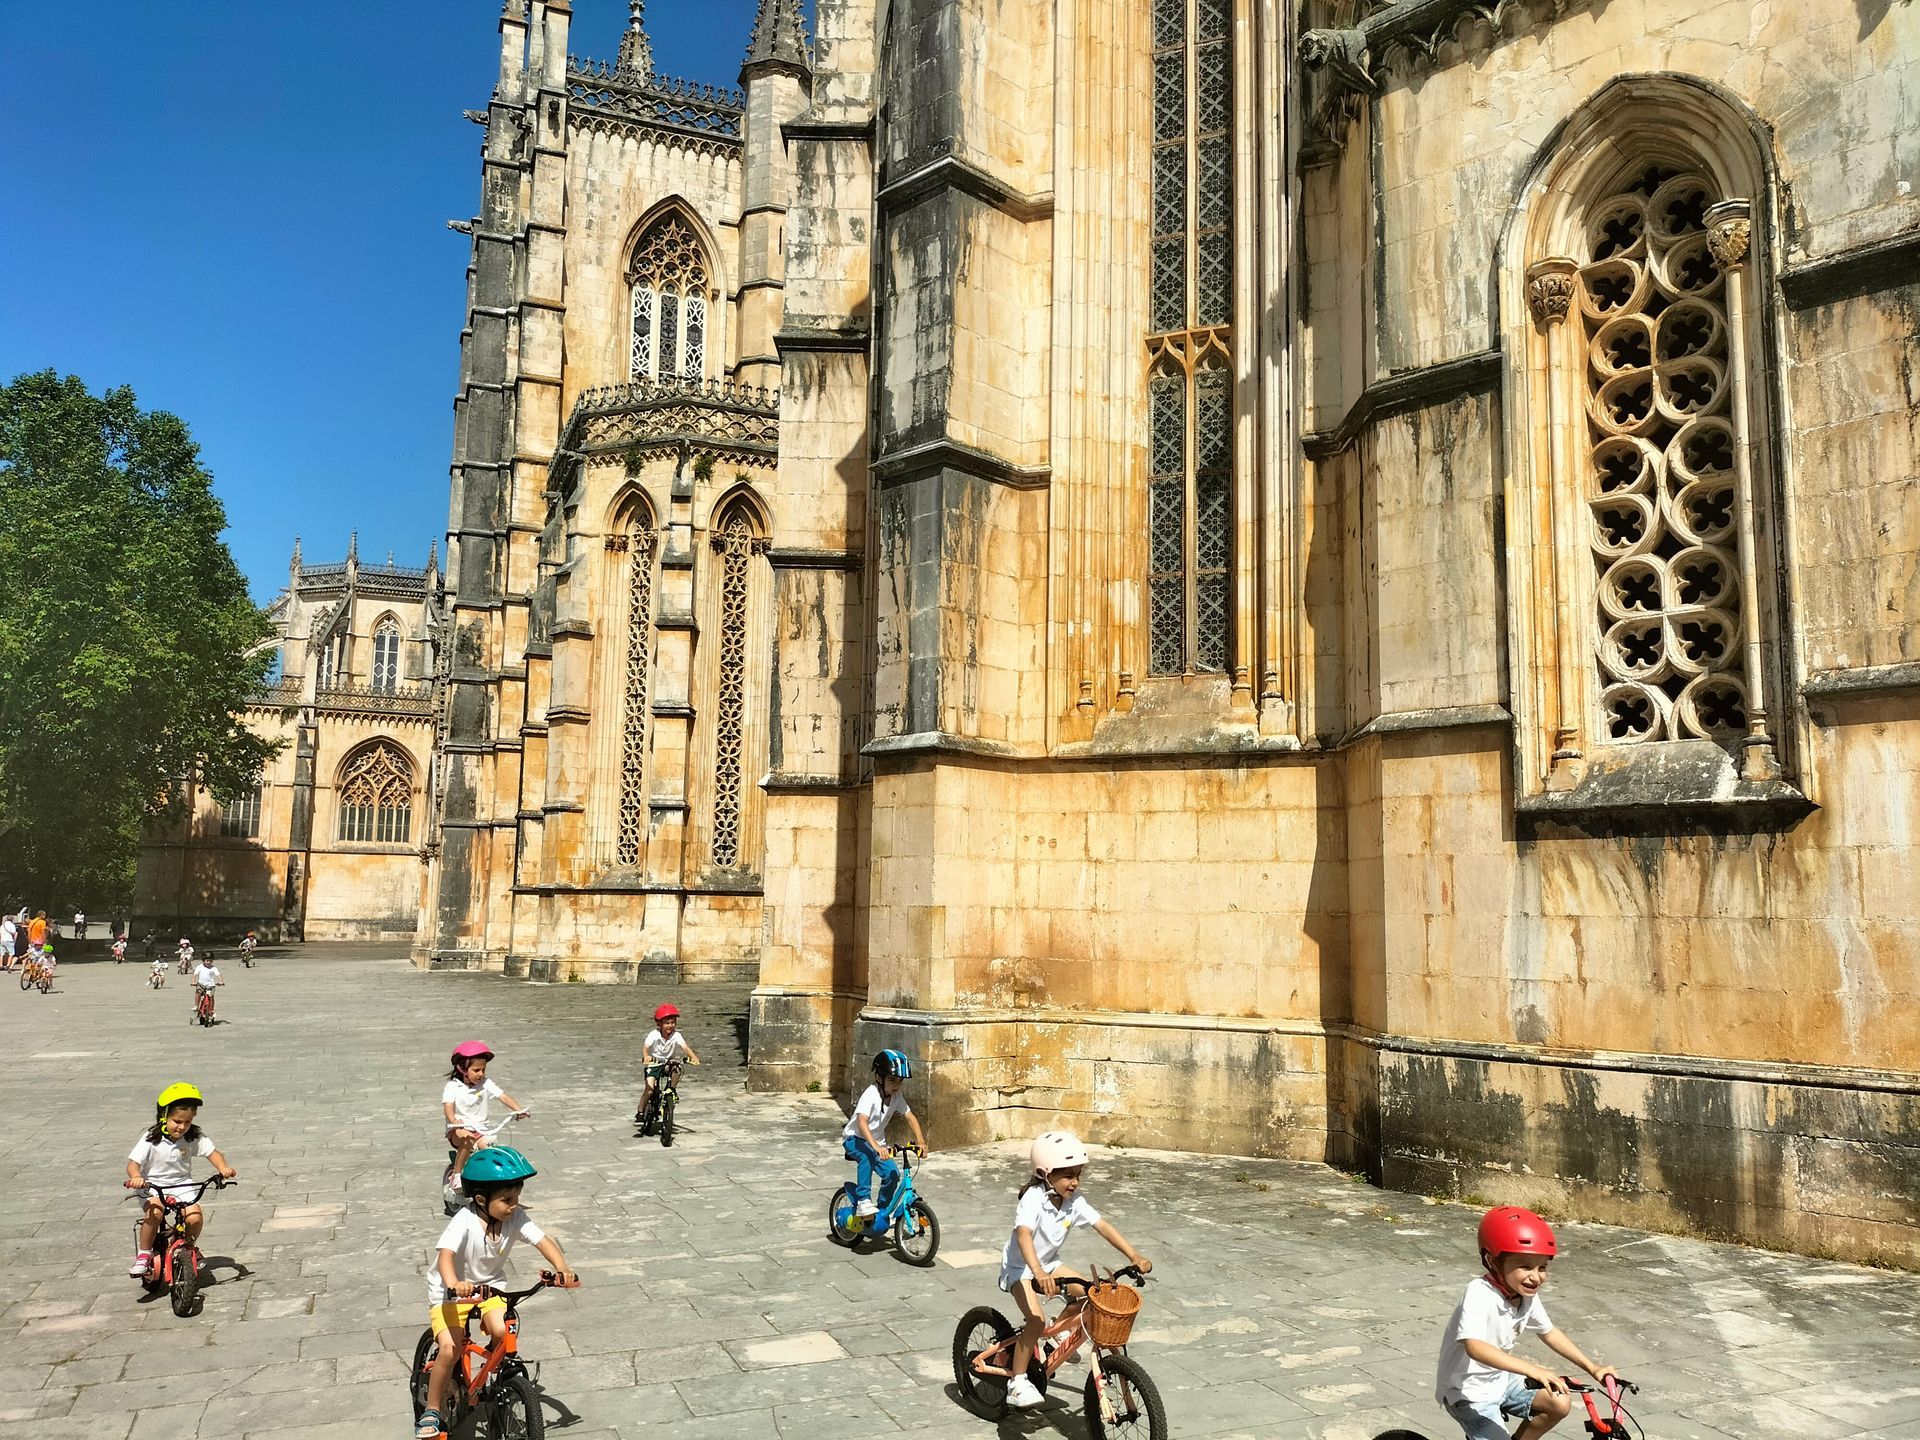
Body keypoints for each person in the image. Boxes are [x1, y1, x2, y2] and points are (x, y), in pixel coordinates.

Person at [417, 1146, 576, 1440]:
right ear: (481, 1199)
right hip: (450, 1292)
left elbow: (543, 1241)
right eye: (507, 1200)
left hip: (491, 1286)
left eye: (517, 1198)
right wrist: (454, 1282)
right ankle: (433, 1409)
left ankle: (488, 1375)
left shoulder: (514, 1219)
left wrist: (562, 1266)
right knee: (450, 1349)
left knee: (503, 1332)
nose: (514, 1205)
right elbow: (445, 1256)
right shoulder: (463, 1221)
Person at [1000, 1130, 1153, 1410]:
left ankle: (1057, 1333)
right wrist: (1037, 1271)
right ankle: (1017, 1382)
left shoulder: (1073, 1202)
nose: (1075, 1182)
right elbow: (1023, 1235)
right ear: (1045, 1173)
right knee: (1035, 1320)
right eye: (1068, 1175)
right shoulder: (1033, 1198)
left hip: (1048, 1264)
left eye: (1078, 1174)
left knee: (1091, 1293)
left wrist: (1134, 1254)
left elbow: (1102, 1226)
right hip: (1021, 1268)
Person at [1434, 1206, 1616, 1440]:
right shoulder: (1479, 1293)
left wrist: (1593, 1368)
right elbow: (1475, 1347)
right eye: (1525, 1266)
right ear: (1492, 1261)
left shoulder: (1524, 1295)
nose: (1536, 1276)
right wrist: (1533, 1369)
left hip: (1500, 1381)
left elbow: (1549, 1332)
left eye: (1542, 1267)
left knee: (1558, 1402)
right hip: (1468, 1393)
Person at [124, 1082, 237, 1277]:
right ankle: (144, 1254)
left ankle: (190, 1245)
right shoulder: (151, 1139)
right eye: (177, 1121)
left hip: (183, 1184)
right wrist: (136, 1177)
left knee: (194, 1217)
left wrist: (223, 1168)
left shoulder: (193, 1136)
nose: (182, 1126)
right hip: (152, 1186)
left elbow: (214, 1153)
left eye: (187, 1122)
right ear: (164, 1116)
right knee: (155, 1213)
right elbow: (133, 1164)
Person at [840, 1049, 929, 1222]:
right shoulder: (871, 1094)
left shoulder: (896, 1096)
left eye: (900, 1081)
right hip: (854, 1139)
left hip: (877, 1143)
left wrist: (921, 1142)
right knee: (866, 1157)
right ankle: (863, 1201)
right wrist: (876, 1147)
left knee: (893, 1174)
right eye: (891, 1080)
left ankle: (882, 1211)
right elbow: (862, 1122)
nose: (896, 1085)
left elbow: (910, 1117)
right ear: (879, 1078)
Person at [442, 1041, 528, 1189]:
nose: (481, 1074)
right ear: (462, 1069)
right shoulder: (453, 1086)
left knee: (490, 1149)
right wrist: (454, 1120)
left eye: (483, 1069)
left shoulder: (485, 1083)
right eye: (476, 1070)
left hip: (482, 1130)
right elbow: (448, 1106)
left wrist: (518, 1109)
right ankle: (456, 1175)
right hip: (460, 1128)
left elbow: (503, 1096)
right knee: (468, 1139)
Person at [633, 1003, 701, 1125]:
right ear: (659, 1024)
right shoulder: (654, 1034)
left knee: (677, 1069)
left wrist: (694, 1057)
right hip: (654, 1063)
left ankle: (671, 1090)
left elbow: (685, 1047)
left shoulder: (676, 1035)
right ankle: (640, 1112)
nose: (670, 1026)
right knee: (649, 1090)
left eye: (673, 1022)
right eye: (667, 1023)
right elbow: (645, 1048)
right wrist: (646, 1056)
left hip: (668, 1062)